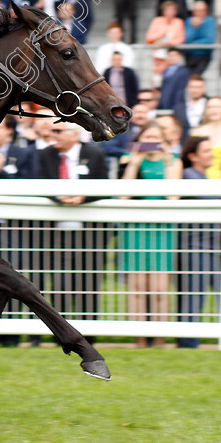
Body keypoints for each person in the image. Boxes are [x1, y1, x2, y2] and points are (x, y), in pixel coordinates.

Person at [38, 123, 109, 326]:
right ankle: (62, 332)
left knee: (89, 281)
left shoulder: (95, 154)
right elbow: (38, 183)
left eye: (59, 131)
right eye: (52, 131)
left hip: (89, 234)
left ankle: (90, 332)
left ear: (75, 134)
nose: (54, 135)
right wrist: (60, 198)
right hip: (55, 233)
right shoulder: (45, 155)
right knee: (60, 283)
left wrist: (83, 197)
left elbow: (106, 186)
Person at [119, 122, 181, 348]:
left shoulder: (173, 162)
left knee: (160, 287)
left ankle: (160, 339)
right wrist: (134, 162)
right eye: (148, 138)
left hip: (161, 227)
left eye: (157, 137)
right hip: (136, 227)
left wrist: (165, 159)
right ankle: (140, 340)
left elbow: (174, 196)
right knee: (136, 286)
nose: (152, 142)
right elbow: (123, 196)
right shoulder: (131, 160)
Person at [176, 135, 218, 348]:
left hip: (213, 247)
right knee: (194, 295)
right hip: (196, 247)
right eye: (206, 151)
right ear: (193, 156)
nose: (211, 154)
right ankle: (188, 341)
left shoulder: (205, 177)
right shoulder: (189, 175)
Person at [190, 96, 221, 179]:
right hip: (200, 178)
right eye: (209, 107)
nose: (213, 110)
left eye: (216, 107)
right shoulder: (197, 133)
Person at [173, 75, 207, 145]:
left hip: (205, 144)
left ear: (204, 89)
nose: (195, 90)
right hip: (183, 145)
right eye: (192, 87)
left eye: (198, 87)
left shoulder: (210, 105)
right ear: (188, 88)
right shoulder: (179, 108)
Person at [183, 1, 214, 75]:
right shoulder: (189, 21)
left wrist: (194, 44)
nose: (200, 13)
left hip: (204, 55)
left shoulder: (209, 21)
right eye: (198, 11)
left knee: (195, 76)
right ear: (194, 12)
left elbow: (209, 40)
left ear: (206, 12)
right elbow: (187, 39)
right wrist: (194, 27)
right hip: (189, 55)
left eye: (203, 10)